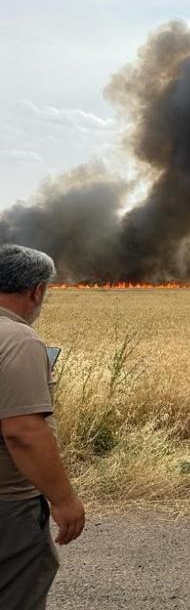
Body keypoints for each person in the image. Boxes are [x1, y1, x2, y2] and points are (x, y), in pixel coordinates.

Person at [0, 244, 85, 609]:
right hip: (8, 506)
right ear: (37, 290)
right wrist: (64, 501)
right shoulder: (18, 339)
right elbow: (23, 432)